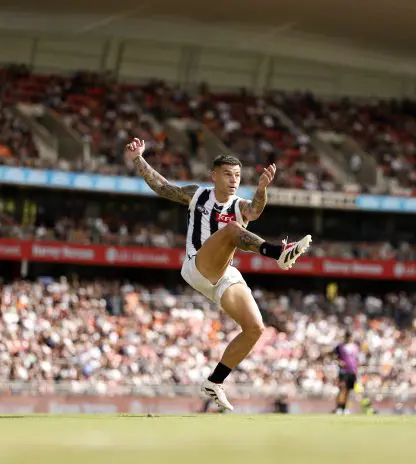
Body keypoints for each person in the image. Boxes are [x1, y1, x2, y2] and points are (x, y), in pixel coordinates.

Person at [125, 138, 312, 411]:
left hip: (224, 274)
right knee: (232, 230)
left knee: (254, 328)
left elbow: (256, 211)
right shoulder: (198, 194)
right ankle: (279, 253)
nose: (234, 180)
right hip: (197, 266)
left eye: (237, 175)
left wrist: (261, 189)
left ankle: (215, 381)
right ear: (214, 176)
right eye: (227, 174)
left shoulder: (240, 205)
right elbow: (162, 187)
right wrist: (138, 158)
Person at [321, 331, 359, 415]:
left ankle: (345, 408)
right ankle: (339, 407)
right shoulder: (340, 347)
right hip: (343, 371)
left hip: (352, 371)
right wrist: (338, 361)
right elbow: (332, 354)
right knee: (342, 389)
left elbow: (356, 359)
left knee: (349, 390)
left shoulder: (355, 347)